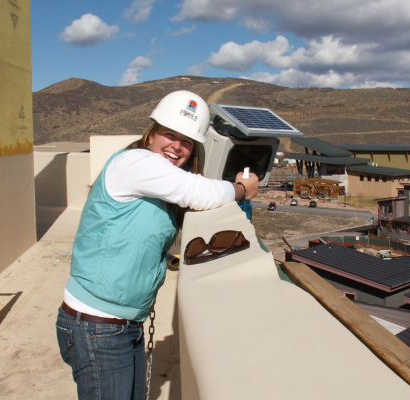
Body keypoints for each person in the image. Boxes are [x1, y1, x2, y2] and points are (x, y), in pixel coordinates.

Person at [55, 90, 259, 400]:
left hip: (123, 324)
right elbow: (199, 192)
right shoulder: (135, 163)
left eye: (187, 141)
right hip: (97, 325)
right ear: (151, 135)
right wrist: (242, 188)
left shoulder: (158, 182)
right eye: (169, 134)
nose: (177, 146)